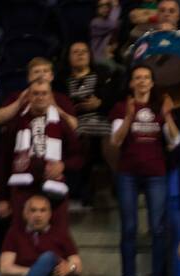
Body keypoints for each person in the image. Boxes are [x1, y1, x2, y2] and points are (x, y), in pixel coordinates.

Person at [109, 64, 180, 276]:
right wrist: (129, 116)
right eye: (137, 77)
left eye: (146, 78)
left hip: (156, 173)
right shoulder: (121, 107)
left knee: (158, 229)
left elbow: (175, 141)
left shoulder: (160, 107)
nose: (141, 81)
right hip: (128, 173)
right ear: (131, 83)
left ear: (151, 83)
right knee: (129, 227)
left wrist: (168, 114)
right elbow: (116, 141)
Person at [0, 80, 81, 233]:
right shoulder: (16, 122)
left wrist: (63, 165)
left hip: (53, 188)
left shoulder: (62, 123)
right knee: (20, 236)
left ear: (50, 97)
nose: (40, 97)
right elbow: (5, 159)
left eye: (44, 93)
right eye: (35, 93)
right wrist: (3, 197)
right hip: (22, 189)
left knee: (58, 236)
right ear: (28, 96)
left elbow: (78, 156)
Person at [60, 41, 117, 208]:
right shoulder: (62, 80)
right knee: (84, 139)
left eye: (84, 51)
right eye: (75, 52)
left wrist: (100, 103)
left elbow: (113, 102)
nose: (80, 54)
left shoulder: (102, 75)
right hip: (75, 124)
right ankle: (85, 191)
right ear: (68, 57)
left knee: (108, 141)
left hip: (102, 121)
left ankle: (117, 188)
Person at [0, 194, 82, 276]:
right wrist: (40, 272)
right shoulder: (15, 233)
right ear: (26, 214)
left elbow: (77, 265)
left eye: (43, 210)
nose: (38, 215)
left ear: (49, 214)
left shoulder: (61, 233)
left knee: (49, 258)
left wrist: (70, 268)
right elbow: (5, 268)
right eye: (33, 210)